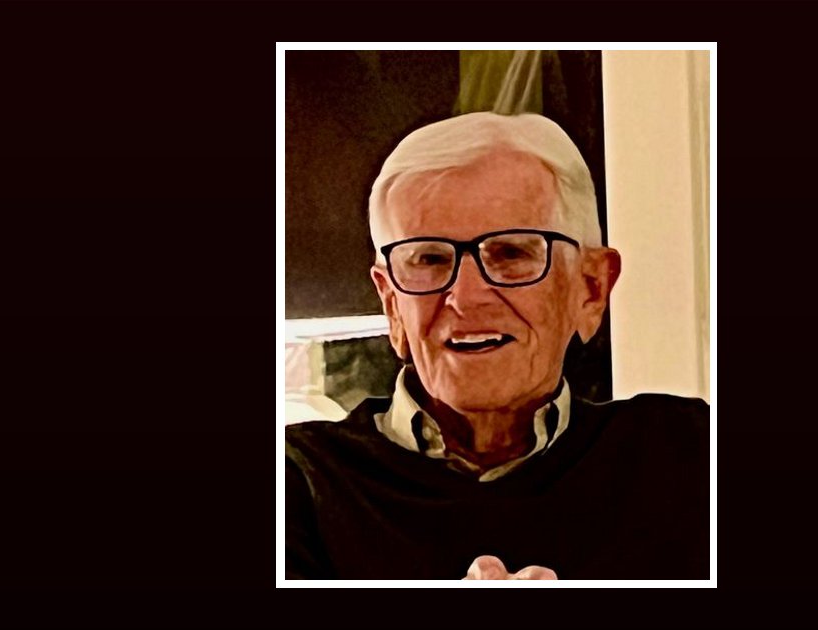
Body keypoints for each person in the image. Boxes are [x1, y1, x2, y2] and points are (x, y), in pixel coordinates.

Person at [285, 112, 709, 580]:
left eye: (511, 253)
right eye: (429, 258)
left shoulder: (688, 456)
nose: (465, 298)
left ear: (590, 289)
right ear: (392, 304)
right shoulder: (298, 483)